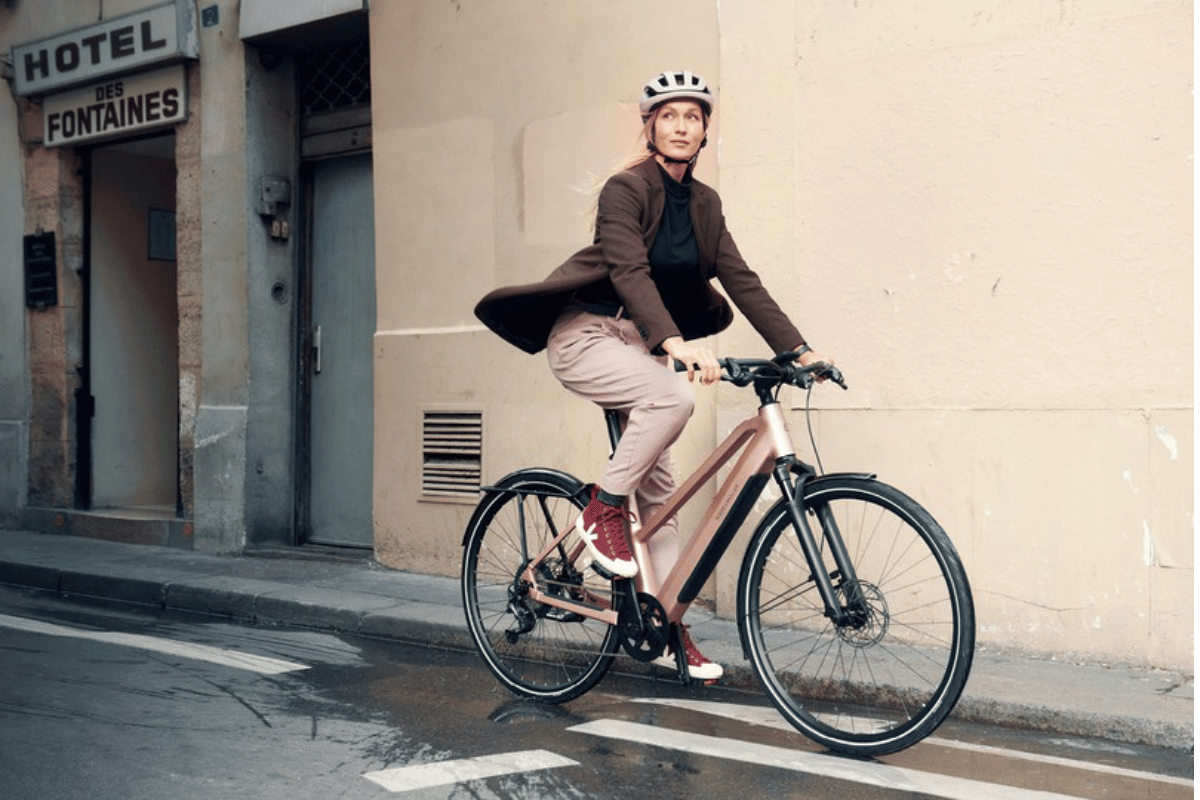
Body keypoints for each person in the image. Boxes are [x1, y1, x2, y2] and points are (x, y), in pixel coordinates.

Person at [475, 70, 831, 681]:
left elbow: (740, 279)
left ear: (704, 132)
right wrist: (673, 343)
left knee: (662, 499)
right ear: (651, 126)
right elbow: (629, 270)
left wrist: (797, 350)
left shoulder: (706, 205)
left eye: (693, 117)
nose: (682, 126)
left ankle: (667, 629)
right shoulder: (626, 190)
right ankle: (602, 510)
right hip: (588, 334)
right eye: (670, 115)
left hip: (640, 343)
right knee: (672, 397)